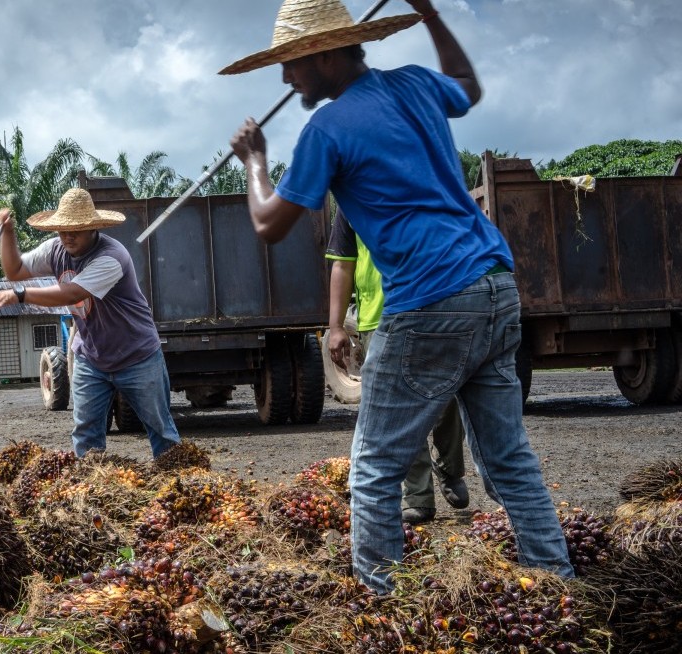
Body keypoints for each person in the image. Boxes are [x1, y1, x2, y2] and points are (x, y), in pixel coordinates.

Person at [224, 0, 573, 593]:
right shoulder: (414, 84)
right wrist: (430, 14)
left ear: (326, 55)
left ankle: (382, 606)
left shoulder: (327, 129)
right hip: (494, 287)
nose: (286, 77)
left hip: (431, 301)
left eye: (292, 63)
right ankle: (557, 583)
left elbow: (269, 223)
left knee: (374, 469)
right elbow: (466, 85)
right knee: (509, 460)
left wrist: (255, 162)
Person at [0, 188, 180, 460]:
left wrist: (20, 295)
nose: (68, 236)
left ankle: (177, 477)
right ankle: (89, 484)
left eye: (76, 229)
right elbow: (15, 271)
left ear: (92, 228)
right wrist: (7, 233)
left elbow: (72, 293)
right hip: (91, 358)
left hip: (137, 356)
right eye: (63, 229)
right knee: (86, 435)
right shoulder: (55, 249)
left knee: (161, 430)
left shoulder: (112, 257)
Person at [326, 211, 470, 525]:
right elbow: (343, 264)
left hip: (431, 310)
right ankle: (418, 496)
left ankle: (449, 467)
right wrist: (335, 326)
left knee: (445, 397)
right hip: (378, 320)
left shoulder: (421, 189)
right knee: (401, 411)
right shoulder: (350, 204)